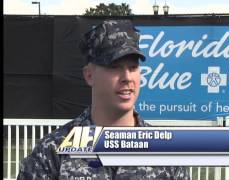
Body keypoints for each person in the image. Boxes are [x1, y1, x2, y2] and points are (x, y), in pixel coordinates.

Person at [17, 19, 190, 179]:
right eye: (114, 67)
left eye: (133, 67)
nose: (127, 77)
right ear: (89, 75)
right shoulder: (52, 151)